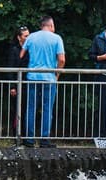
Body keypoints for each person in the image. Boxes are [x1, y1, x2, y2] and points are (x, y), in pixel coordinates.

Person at [20, 15, 65, 148]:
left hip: (32, 77)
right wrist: (57, 73)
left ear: (41, 25)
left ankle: (29, 139)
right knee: (47, 109)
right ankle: (44, 140)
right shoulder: (57, 38)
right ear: (51, 25)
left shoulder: (32, 37)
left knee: (31, 108)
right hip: (49, 78)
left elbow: (21, 55)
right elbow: (62, 60)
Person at [6, 26, 30, 137]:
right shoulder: (14, 50)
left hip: (27, 83)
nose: (28, 37)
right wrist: (12, 86)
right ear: (19, 37)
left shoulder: (30, 49)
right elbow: (10, 68)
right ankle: (15, 134)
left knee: (26, 110)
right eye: (26, 36)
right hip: (17, 84)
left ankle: (25, 135)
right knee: (16, 110)